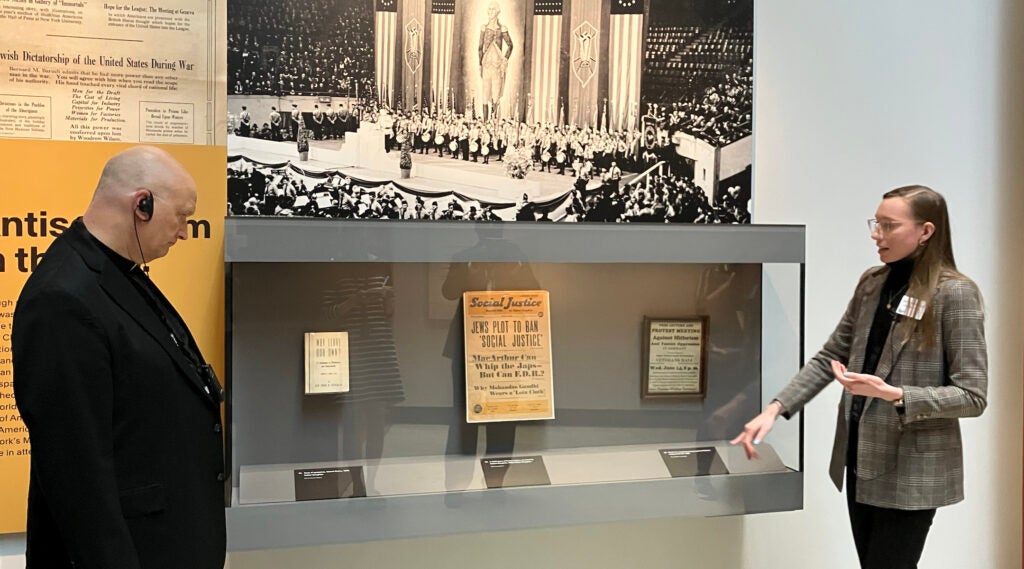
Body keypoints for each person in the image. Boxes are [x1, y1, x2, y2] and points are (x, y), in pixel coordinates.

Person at [730, 185, 987, 569]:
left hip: (914, 471)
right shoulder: (872, 283)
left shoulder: (956, 293)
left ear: (926, 232)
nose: (875, 234)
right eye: (875, 224)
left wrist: (897, 394)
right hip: (861, 460)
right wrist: (776, 408)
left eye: (888, 225)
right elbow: (830, 356)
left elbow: (972, 395)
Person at [12, 146, 226, 569]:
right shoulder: (63, 299)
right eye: (182, 216)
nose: (185, 232)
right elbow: (77, 475)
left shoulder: (118, 272)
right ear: (141, 204)